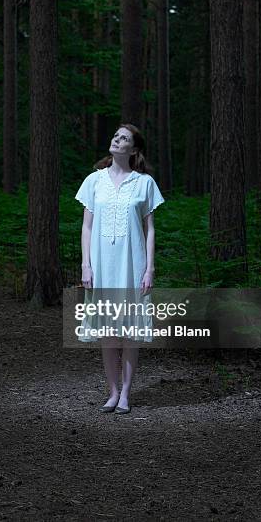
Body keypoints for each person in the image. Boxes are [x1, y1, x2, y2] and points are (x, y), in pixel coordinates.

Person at [75, 123, 165, 414]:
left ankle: (126, 393)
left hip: (132, 262)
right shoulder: (94, 181)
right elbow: (86, 227)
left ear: (134, 149)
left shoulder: (144, 183)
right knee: (107, 331)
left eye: (124, 138)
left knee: (129, 331)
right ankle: (112, 392)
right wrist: (86, 264)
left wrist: (149, 268)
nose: (116, 139)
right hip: (101, 263)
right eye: (115, 135)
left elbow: (149, 229)